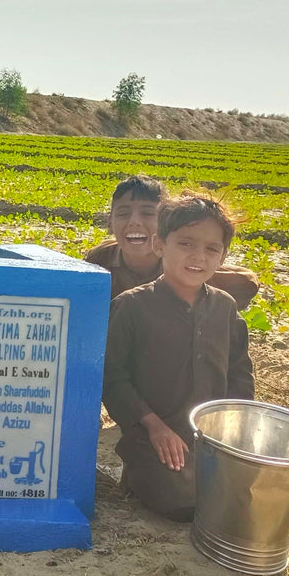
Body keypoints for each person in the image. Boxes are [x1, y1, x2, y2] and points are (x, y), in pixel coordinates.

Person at [101, 192, 254, 520]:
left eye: (212, 248)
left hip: (211, 435)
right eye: (186, 243)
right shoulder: (131, 307)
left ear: (223, 255)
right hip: (151, 432)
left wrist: (232, 428)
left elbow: (240, 373)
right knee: (181, 499)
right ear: (160, 245)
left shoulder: (225, 308)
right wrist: (153, 425)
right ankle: (140, 477)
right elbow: (112, 377)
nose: (198, 256)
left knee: (249, 492)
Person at [85, 175, 260, 309]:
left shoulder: (181, 263)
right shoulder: (99, 260)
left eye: (147, 213)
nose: (134, 222)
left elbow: (248, 281)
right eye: (123, 214)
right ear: (110, 223)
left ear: (165, 223)